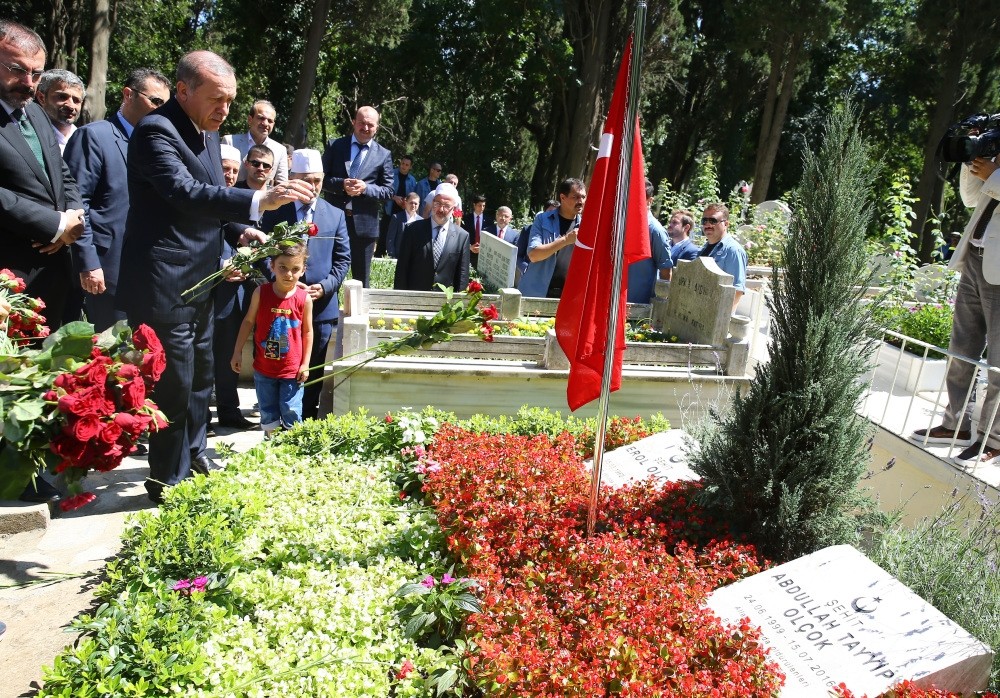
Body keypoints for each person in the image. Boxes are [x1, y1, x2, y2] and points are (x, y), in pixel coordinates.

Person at [116, 50, 314, 504]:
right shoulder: (155, 131)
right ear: (183, 91)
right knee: (175, 382)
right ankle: (165, 478)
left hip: (203, 280)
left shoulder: (207, 133)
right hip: (166, 282)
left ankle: (194, 451)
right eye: (217, 99)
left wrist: (238, 229)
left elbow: (209, 206)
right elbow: (184, 194)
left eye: (230, 101)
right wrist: (257, 203)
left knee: (202, 374)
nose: (224, 110)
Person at [0, 20, 85, 503]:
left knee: (43, 375)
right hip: (9, 272)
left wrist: (71, 219)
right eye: (16, 70)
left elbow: (64, 173)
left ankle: (37, 471)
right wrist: (50, 224)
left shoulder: (33, 114)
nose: (28, 82)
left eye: (35, 73)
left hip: (52, 274)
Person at [64, 67, 171, 332]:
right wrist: (88, 262)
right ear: (128, 95)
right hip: (106, 271)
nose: (161, 110)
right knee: (109, 358)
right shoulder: (94, 136)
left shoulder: (158, 145)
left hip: (148, 273)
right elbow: (76, 203)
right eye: (155, 101)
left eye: (166, 105)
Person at [911, 154, 1000, 466]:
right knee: (961, 349)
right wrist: (971, 161)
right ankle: (956, 425)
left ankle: (994, 439)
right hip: (975, 259)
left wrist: (995, 174)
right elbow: (971, 197)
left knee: (999, 363)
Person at [261, 148, 350, 421]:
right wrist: (281, 283)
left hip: (320, 309)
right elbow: (262, 253)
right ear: (293, 178)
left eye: (317, 180)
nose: (312, 187)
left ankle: (306, 423)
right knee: (276, 368)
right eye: (306, 180)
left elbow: (342, 260)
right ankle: (274, 423)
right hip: (279, 307)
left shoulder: (334, 215)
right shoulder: (277, 211)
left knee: (311, 369)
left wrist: (324, 286)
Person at [231, 242, 313, 438]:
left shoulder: (304, 299)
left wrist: (305, 364)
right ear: (272, 266)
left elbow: (307, 332)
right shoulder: (261, 293)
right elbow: (248, 322)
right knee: (267, 410)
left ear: (303, 270)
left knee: (290, 408)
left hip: (291, 370)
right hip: (264, 367)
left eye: (295, 269)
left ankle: (293, 448)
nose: (289, 274)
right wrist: (237, 351)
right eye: (283, 267)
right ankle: (271, 446)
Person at [210, 141, 257, 432]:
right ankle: (200, 417)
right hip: (204, 290)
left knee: (229, 352)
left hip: (232, 292)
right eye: (224, 169)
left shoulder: (239, 201)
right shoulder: (203, 198)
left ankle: (229, 411)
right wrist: (220, 267)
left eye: (233, 171)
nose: (228, 175)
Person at [321, 105, 394, 287]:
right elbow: (320, 179)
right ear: (354, 122)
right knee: (326, 273)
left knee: (362, 280)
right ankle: (326, 314)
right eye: (361, 123)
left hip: (364, 227)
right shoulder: (335, 145)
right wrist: (341, 185)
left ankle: (360, 314)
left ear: (377, 127)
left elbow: (388, 191)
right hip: (333, 222)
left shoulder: (384, 155)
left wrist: (365, 189)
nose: (366, 128)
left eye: (370, 124)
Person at [393, 182, 470, 292]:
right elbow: (402, 268)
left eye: (447, 206)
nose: (441, 209)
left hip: (445, 304)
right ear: (432, 202)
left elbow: (462, 277)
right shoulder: (412, 230)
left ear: (454, 209)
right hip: (414, 298)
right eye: (437, 204)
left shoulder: (462, 236)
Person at [517, 179, 586, 299]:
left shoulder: (587, 225)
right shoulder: (542, 220)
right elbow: (534, 255)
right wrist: (565, 240)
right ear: (563, 198)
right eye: (575, 197)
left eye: (583, 197)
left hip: (569, 297)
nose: (581, 201)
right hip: (537, 293)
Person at [222, 99, 288, 186]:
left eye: (270, 121)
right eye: (261, 118)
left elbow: (282, 183)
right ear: (250, 119)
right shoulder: (230, 141)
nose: (265, 123)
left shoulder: (280, 150)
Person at [627, 179, 673, 303]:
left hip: (639, 307)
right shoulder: (623, 224)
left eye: (640, 198)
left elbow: (666, 272)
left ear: (650, 201)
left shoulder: (655, 230)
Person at [698, 202, 747, 308]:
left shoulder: (733, 250)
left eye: (713, 220)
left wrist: (721, 321)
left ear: (726, 224)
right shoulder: (704, 249)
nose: (708, 224)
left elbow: (736, 291)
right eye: (704, 220)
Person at [35, 68, 83, 153]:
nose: (71, 106)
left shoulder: (86, 140)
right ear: (41, 98)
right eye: (62, 97)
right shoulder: (30, 136)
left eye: (76, 100)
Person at [379, 154, 416, 255]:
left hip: (403, 212)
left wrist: (405, 203)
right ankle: (379, 257)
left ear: (410, 167)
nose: (403, 166)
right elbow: (383, 191)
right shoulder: (391, 174)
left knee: (400, 238)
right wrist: (394, 198)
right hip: (389, 210)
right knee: (384, 236)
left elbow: (412, 196)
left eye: (407, 165)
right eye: (402, 163)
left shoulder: (412, 180)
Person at [387, 191, 421, 258]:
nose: (413, 205)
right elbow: (390, 239)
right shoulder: (396, 218)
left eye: (416, 203)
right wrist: (392, 257)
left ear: (419, 205)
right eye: (411, 203)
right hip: (398, 257)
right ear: (406, 202)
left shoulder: (421, 221)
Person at [463, 193, 493, 269]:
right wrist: (470, 247)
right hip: (469, 251)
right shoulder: (466, 219)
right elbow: (463, 235)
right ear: (474, 205)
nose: (482, 208)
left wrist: (482, 248)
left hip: (483, 253)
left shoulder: (489, 220)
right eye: (479, 205)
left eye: (483, 206)